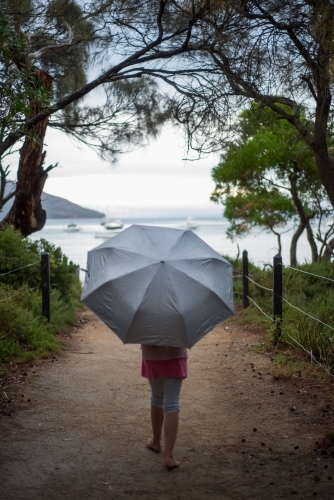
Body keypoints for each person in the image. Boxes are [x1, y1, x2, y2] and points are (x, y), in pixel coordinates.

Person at [141, 344, 188, 469]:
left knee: (156, 398)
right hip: (175, 354)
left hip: (151, 355)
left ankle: (156, 442)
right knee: (172, 404)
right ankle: (169, 456)